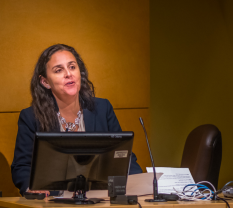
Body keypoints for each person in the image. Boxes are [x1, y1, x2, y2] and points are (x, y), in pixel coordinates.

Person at [11, 44, 142, 196]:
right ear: (45, 82)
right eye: (58, 70)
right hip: (54, 202)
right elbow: (22, 166)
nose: (68, 74)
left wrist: (139, 184)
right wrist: (31, 187)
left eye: (72, 67)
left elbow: (124, 156)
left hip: (100, 199)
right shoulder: (31, 117)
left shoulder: (102, 108)